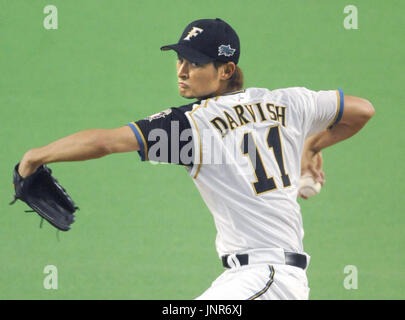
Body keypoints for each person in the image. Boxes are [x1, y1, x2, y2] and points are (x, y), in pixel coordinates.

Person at [18, 18, 374, 300]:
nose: (182, 70)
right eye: (180, 58)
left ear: (226, 70)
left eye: (196, 62)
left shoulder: (192, 126)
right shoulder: (290, 103)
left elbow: (107, 142)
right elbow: (361, 110)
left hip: (267, 280)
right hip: (254, 280)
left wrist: (37, 156)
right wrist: (312, 146)